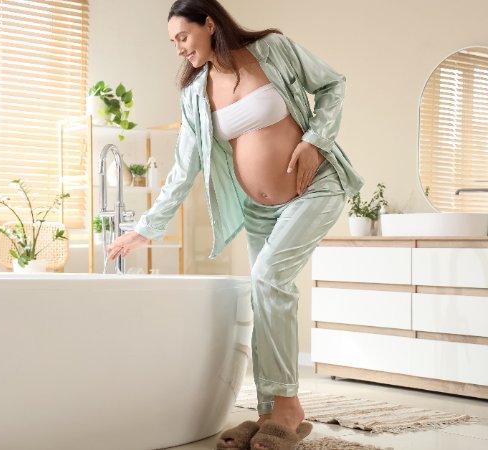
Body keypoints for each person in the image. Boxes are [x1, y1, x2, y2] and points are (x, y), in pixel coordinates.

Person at [106, 1, 364, 449]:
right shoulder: (195, 94)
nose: (178, 49)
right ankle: (270, 412)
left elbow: (333, 85)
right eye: (173, 42)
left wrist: (315, 140)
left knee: (269, 278)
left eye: (182, 37)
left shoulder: (273, 50)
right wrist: (146, 229)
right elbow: (184, 171)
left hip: (316, 187)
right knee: (264, 294)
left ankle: (287, 408)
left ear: (210, 24)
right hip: (258, 210)